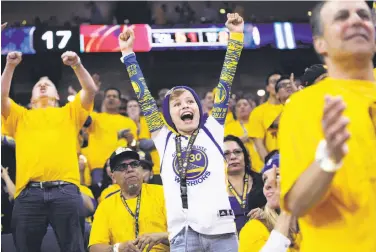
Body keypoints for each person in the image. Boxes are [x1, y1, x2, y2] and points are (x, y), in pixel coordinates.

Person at [119, 13, 244, 252]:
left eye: (190, 101)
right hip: (183, 235)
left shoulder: (212, 129)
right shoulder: (163, 139)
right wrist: (128, 54)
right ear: (168, 116)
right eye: (177, 105)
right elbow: (144, 97)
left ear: (199, 108)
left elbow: (225, 81)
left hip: (222, 232)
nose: (185, 106)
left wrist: (236, 36)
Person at [279, 1, 376, 252]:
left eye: (364, 15)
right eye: (342, 17)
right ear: (320, 43)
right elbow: (298, 204)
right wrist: (329, 158)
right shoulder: (303, 105)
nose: (357, 20)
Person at [2, 50, 97, 252]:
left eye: (48, 84)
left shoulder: (69, 112)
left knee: (74, 248)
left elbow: (90, 90)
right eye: (38, 85)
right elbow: (1, 97)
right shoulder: (20, 116)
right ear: (31, 98)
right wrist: (9, 67)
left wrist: (77, 65)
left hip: (66, 190)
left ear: (57, 95)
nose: (43, 85)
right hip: (28, 194)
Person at [89, 147, 169, 252]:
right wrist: (118, 248)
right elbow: (94, 248)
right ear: (113, 177)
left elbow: (187, 234)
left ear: (141, 170)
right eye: (122, 167)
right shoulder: (105, 206)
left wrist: (161, 237)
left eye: (134, 164)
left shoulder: (163, 194)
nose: (130, 169)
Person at [82, 87, 138, 197]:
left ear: (120, 101)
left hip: (121, 166)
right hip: (97, 166)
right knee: (99, 197)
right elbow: (83, 121)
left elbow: (134, 146)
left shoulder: (128, 122)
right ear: (104, 100)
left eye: (114, 96)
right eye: (108, 96)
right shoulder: (95, 118)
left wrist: (131, 141)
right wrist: (89, 92)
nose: (111, 98)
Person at [239, 152, 300, 252]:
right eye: (265, 179)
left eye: (277, 175)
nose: (267, 185)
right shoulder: (254, 229)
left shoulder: (317, 222)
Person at [224, 135, 266, 233]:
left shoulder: (263, 181)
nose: (233, 157)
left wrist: (266, 215)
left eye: (237, 152)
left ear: (245, 155)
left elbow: (280, 212)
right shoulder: (211, 188)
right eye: (226, 154)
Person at [247, 72, 283, 163]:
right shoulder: (258, 112)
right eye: (273, 81)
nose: (277, 84)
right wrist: (270, 165)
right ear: (267, 88)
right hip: (275, 165)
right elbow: (259, 145)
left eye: (281, 82)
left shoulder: (294, 106)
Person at [126, 98, 162, 184]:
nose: (133, 108)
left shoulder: (148, 120)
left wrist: (138, 144)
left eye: (135, 106)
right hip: (134, 169)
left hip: (156, 168)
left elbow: (157, 140)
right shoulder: (124, 123)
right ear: (126, 110)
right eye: (130, 106)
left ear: (140, 108)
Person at [225, 97, 264, 172]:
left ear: (252, 108)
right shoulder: (229, 126)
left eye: (245, 105)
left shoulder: (259, 123)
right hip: (242, 167)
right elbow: (226, 144)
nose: (242, 107)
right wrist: (240, 139)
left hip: (262, 164)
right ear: (235, 112)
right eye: (239, 106)